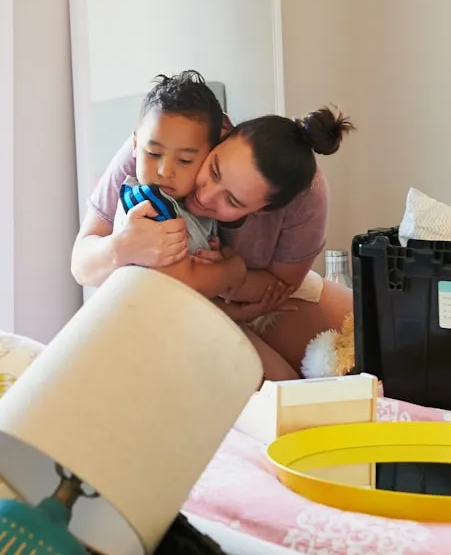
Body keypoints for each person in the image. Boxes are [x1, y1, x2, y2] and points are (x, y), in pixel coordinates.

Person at [72, 97, 355, 381]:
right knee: (278, 392)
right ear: (220, 138)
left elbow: (281, 285)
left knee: (367, 345)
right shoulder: (164, 144)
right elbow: (82, 265)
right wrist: (121, 247)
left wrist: (234, 284)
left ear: (263, 209)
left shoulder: (305, 194)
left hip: (249, 296)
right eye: (214, 170)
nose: (205, 197)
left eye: (232, 200)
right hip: (178, 306)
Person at [103, 70, 246, 300]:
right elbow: (185, 284)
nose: (164, 171)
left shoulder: (193, 204)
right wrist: (235, 267)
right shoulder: (147, 202)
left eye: (184, 160)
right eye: (153, 153)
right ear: (135, 145)